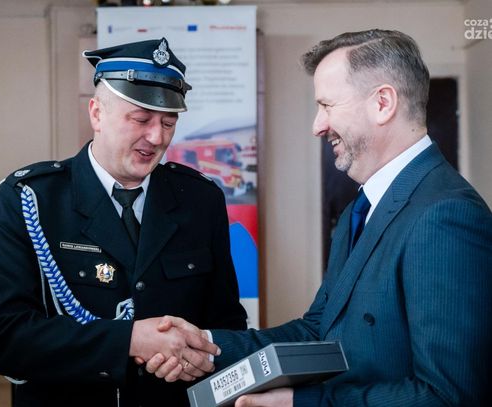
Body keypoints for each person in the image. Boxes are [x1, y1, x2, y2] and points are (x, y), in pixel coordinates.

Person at [145, 29, 492, 406]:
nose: (317, 126)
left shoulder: (446, 215)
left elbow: (449, 396)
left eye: (327, 105)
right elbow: (317, 331)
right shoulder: (361, 209)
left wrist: (300, 403)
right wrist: (204, 344)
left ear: (383, 103)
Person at [0, 38, 247, 407]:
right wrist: (130, 340)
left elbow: (226, 322)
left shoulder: (200, 200)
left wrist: (200, 358)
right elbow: (4, 339)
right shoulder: (31, 199)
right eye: (141, 119)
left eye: (169, 122)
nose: (156, 137)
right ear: (97, 114)